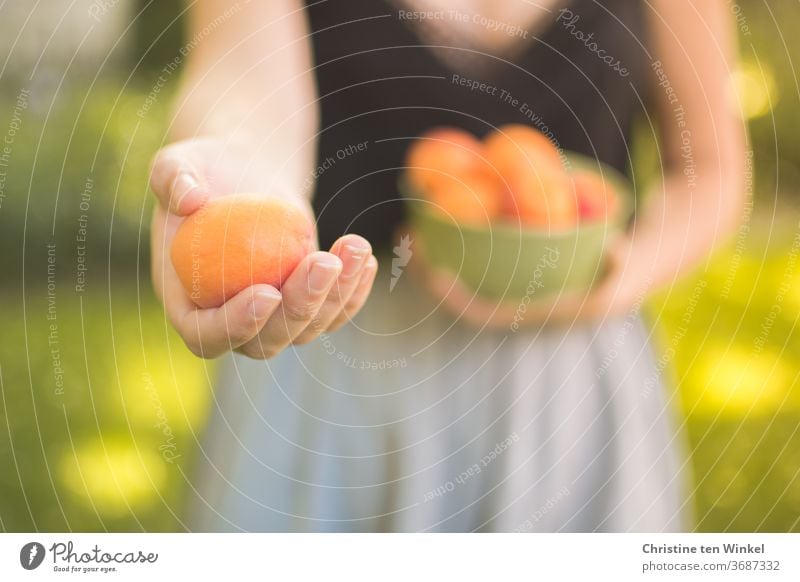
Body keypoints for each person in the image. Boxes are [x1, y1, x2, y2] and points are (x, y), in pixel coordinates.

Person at [149, 0, 746, 532]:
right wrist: (235, 174)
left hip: (567, 388)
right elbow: (244, 88)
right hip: (329, 367)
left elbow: (712, 168)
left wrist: (620, 272)